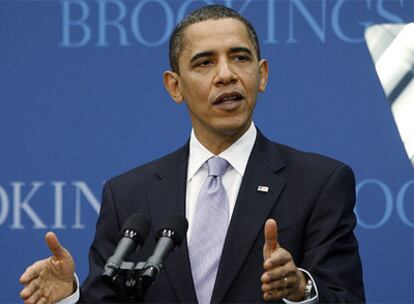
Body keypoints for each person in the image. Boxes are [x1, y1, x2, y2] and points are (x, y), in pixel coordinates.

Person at [19, 5, 365, 304]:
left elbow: (345, 296)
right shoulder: (128, 195)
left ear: (261, 75)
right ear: (175, 86)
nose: (226, 75)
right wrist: (69, 295)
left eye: (239, 58)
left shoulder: (319, 183)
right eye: (204, 63)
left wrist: (301, 289)